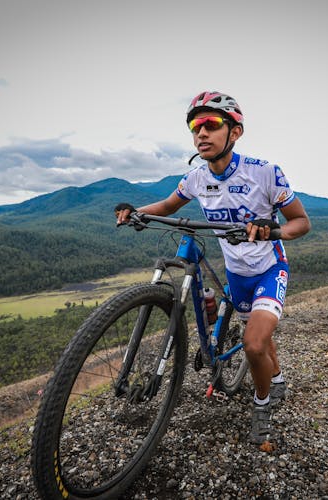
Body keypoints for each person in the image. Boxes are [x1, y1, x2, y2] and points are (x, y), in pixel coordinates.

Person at [115, 91, 311, 446]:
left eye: (210, 124)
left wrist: (274, 229)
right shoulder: (195, 179)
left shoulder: (265, 173)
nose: (200, 133)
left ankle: (262, 405)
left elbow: (301, 223)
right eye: (194, 126)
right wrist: (136, 211)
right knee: (257, 336)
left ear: (234, 132)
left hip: (270, 268)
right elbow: (168, 205)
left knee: (253, 345)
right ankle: (276, 376)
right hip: (237, 274)